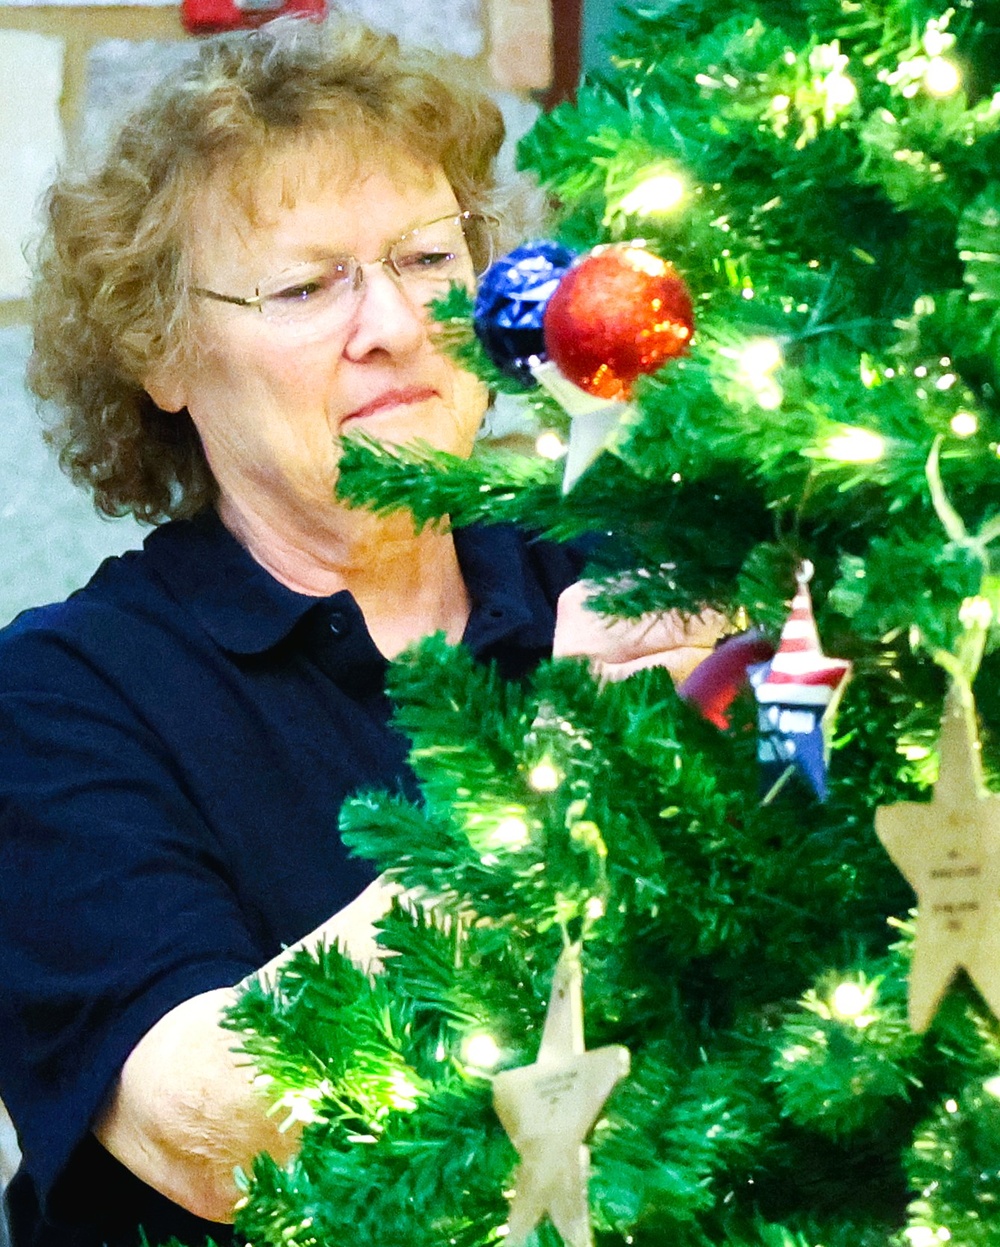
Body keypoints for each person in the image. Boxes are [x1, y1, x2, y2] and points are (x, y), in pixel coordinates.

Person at [0, 16, 723, 1247]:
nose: (391, 323)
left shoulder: (618, 577)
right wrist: (555, 785)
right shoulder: (63, 696)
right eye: (304, 283)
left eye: (430, 260)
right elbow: (211, 1131)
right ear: (162, 353)